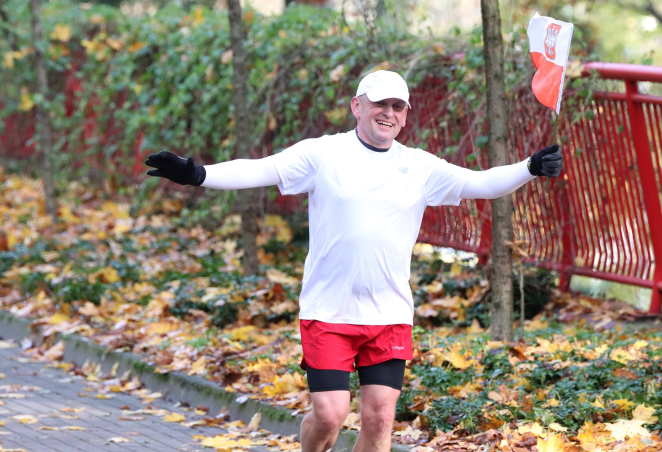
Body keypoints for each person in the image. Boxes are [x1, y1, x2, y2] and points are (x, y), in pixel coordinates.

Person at [145, 70, 562, 452]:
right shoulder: (324, 153)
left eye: (397, 106)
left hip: (389, 313)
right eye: (380, 104)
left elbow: (481, 183)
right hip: (329, 310)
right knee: (330, 416)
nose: (388, 113)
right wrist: (197, 174)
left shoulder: (418, 166)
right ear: (357, 106)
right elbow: (260, 170)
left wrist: (530, 167)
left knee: (379, 419)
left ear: (405, 116)